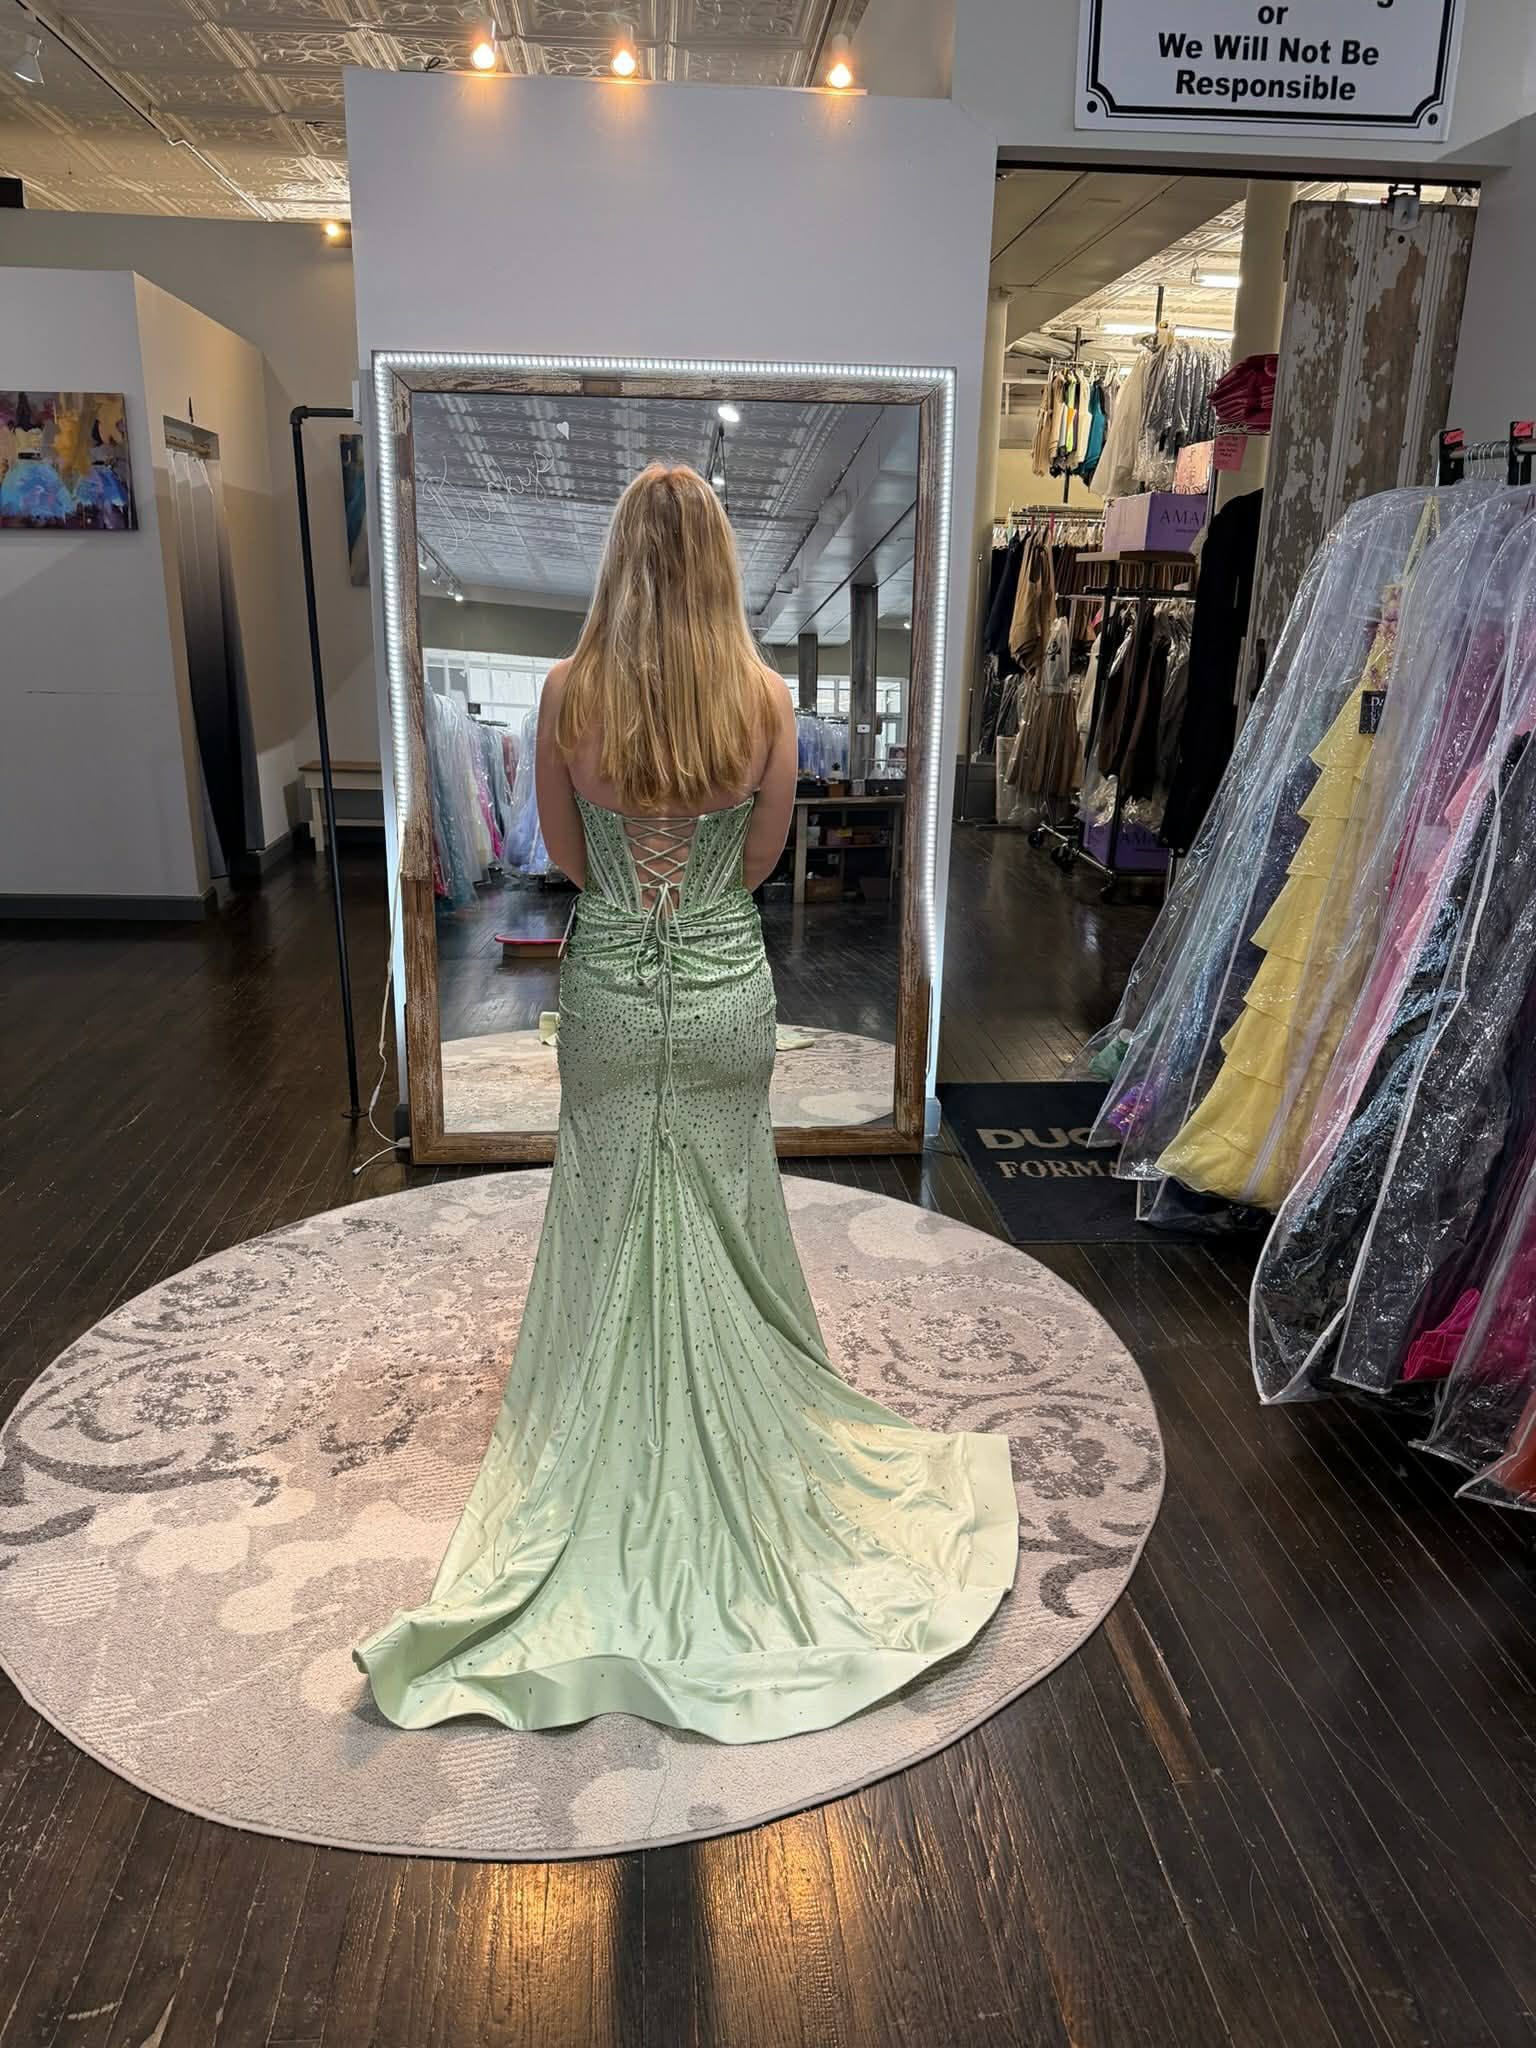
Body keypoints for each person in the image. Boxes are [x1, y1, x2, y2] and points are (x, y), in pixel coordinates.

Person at [353, 463, 1018, 1743]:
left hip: (611, 987)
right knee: (726, 1199)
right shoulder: (764, 699)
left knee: (606, 1202)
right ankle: (737, 1414)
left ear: (615, 564)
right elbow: (763, 861)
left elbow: (559, 852)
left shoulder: (564, 694)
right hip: (719, 985)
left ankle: (606, 1421)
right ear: (719, 564)